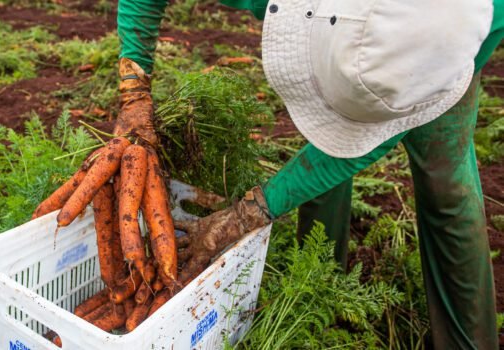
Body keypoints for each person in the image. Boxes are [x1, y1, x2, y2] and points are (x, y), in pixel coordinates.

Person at [114, 0, 504, 348]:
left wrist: (250, 212)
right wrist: (134, 91)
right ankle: (318, 280)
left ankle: (468, 339)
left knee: (446, 180)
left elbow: (366, 142)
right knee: (326, 130)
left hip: (445, 50)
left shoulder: (480, 22)